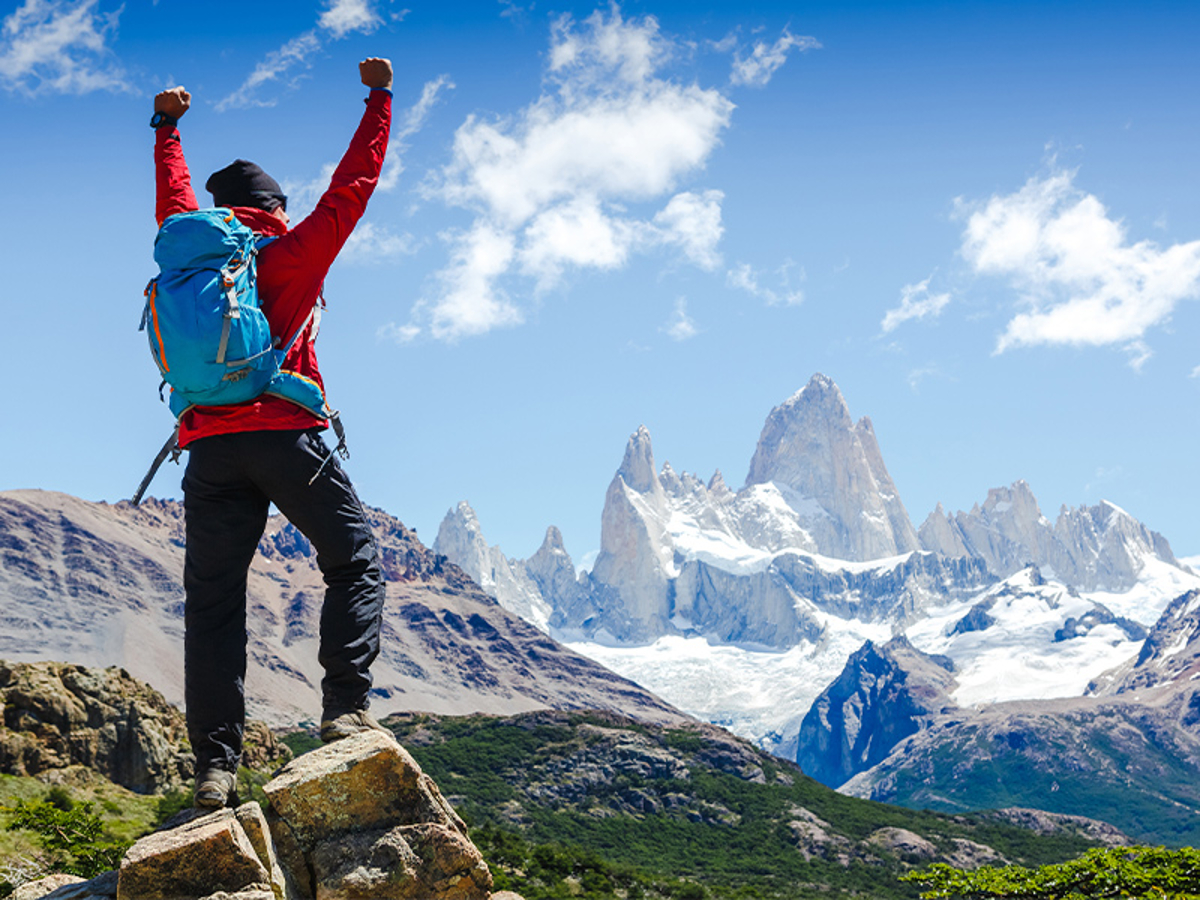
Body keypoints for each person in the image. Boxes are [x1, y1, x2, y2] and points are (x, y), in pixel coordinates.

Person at [151, 58, 395, 808]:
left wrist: (166, 129)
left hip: (206, 448)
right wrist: (379, 100)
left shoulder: (186, 249)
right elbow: (354, 186)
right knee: (352, 558)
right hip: (285, 433)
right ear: (275, 208)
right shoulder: (293, 251)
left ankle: (216, 772)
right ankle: (345, 709)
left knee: (213, 605)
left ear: (217, 215)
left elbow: (174, 196)